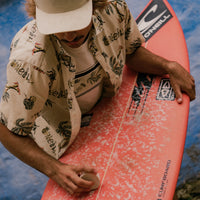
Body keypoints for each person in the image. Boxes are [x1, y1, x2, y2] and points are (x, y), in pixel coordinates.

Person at [0, 0, 195, 196]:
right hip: (64, 135)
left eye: (74, 22)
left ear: (95, 5)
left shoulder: (114, 9)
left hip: (108, 101)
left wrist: (168, 66)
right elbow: (8, 130)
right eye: (58, 25)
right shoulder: (29, 61)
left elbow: (131, 52)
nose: (68, 35)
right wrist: (56, 170)